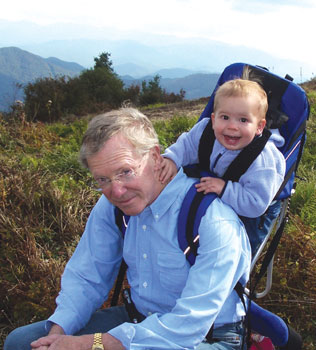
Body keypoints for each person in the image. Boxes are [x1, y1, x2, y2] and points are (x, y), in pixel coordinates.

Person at [4, 107, 251, 350]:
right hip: (138, 320)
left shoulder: (213, 220)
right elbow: (87, 276)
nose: (116, 191)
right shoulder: (112, 206)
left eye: (126, 172)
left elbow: (187, 327)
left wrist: (91, 344)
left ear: (155, 157)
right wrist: (57, 336)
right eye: (103, 179)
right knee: (21, 343)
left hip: (207, 337)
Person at [160, 79, 286, 255]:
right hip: (216, 190)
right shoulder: (206, 131)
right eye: (224, 117)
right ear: (213, 119)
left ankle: (235, 279)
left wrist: (224, 188)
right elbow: (187, 145)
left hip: (252, 209)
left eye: (243, 120)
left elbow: (256, 203)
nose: (232, 126)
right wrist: (172, 159)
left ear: (259, 127)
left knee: (237, 253)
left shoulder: (263, 161)